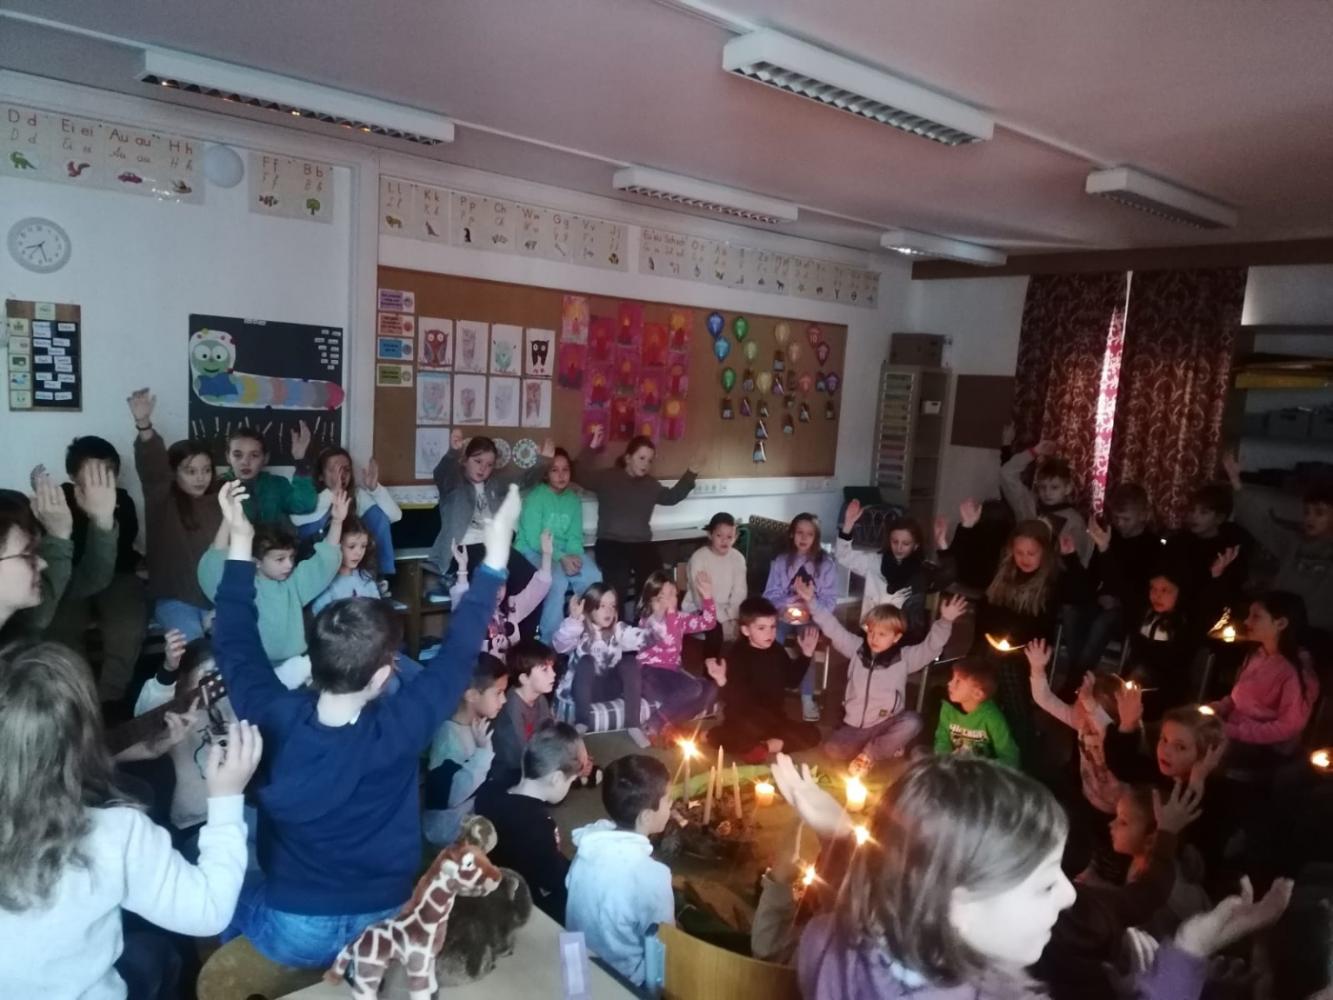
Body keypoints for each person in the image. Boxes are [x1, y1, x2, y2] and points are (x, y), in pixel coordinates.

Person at [212, 479, 510, 968]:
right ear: (380, 677)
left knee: (229, 886)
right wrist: (494, 561)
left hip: (297, 928)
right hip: (386, 921)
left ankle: (233, 972)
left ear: (314, 660)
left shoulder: (271, 714)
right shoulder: (402, 724)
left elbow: (235, 641)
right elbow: (456, 657)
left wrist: (241, 543)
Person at [791, 754, 1289, 1000]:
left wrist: (839, 835)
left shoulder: (825, 941)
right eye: (1045, 883)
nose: (1069, 895)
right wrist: (1189, 954)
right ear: (958, 903)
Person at [0, 638, 261, 1000]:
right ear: (85, 734)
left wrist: (148, 750)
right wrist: (227, 797)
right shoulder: (115, 832)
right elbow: (209, 911)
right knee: (163, 953)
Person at [942, 503, 1086, 768]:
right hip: (987, 645)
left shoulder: (1052, 580)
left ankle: (1024, 758)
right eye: (1019, 552)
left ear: (1044, 553)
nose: (1024, 558)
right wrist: (969, 528)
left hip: (1025, 654)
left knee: (1010, 685)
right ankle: (966, 746)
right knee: (971, 680)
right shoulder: (1001, 572)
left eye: (1031, 553)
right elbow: (969, 570)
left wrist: (1072, 558)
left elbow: (1078, 594)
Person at [797, 574, 963, 769]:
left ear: (896, 637)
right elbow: (833, 628)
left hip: (887, 723)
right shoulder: (857, 648)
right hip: (856, 727)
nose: (874, 639)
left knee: (913, 722)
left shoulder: (904, 657)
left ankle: (870, 754)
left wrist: (945, 621)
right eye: (871, 632)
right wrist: (811, 601)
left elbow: (931, 647)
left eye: (882, 634)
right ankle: (885, 747)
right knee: (832, 749)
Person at [197, 492, 347, 683]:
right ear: (257, 561)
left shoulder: (294, 582)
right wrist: (229, 517)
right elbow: (213, 565)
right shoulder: (243, 588)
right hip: (255, 668)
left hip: (295, 668)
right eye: (279, 559)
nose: (289, 564)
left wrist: (337, 522)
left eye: (291, 557)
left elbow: (324, 562)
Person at [38, 439, 144, 704]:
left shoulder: (123, 501)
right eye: (93, 473)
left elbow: (122, 545)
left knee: (127, 626)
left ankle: (110, 698)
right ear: (73, 476)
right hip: (70, 579)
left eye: (109, 472)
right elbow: (56, 550)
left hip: (119, 574)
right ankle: (79, 698)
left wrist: (104, 514)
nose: (102, 480)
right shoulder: (58, 501)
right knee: (63, 627)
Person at [566, 754, 674, 986]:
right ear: (646, 816)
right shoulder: (653, 876)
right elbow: (663, 941)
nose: (671, 807)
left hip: (575, 963)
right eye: (668, 801)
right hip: (619, 978)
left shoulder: (588, 845)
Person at [1026, 639, 1127, 880]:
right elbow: (1045, 700)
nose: (1078, 708)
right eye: (1078, 701)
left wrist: (1090, 703)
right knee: (1083, 838)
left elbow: (1103, 724)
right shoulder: (1079, 722)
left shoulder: (1109, 735)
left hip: (1112, 807)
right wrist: (1037, 669)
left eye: (1087, 705)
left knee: (1109, 848)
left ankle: (1110, 875)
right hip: (1086, 796)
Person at [128, 388, 221, 641]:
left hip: (217, 600)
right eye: (190, 471)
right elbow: (153, 469)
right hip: (176, 600)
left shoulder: (220, 502)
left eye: (206, 470)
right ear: (174, 473)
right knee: (195, 654)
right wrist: (144, 425)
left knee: (237, 646)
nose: (200, 478)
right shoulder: (162, 500)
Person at [132, 634, 238, 854]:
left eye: (220, 675)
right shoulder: (173, 712)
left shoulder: (227, 703)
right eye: (207, 676)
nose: (215, 682)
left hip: (239, 807)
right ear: (184, 678)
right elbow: (146, 715)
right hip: (196, 823)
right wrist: (168, 671)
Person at [576, 430, 700, 614]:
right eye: (641, 458)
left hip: (640, 544)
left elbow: (672, 497)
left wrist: (691, 473)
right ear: (628, 458)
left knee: (653, 579)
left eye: (649, 460)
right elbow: (578, 474)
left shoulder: (650, 485)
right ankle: (614, 623)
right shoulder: (607, 478)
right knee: (618, 581)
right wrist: (591, 448)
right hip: (611, 543)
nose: (646, 464)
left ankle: (644, 622)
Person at [474, 721, 585, 924]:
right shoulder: (540, 826)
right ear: (556, 778)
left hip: (495, 874)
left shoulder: (490, 790)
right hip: (521, 897)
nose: (570, 786)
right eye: (571, 781)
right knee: (578, 906)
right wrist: (579, 872)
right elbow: (552, 877)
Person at [430, 430, 550, 601]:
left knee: (531, 579)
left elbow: (524, 481)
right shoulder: (453, 483)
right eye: (478, 461)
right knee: (489, 581)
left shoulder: (495, 483)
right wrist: (453, 452)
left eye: (489, 464)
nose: (483, 468)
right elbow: (441, 473)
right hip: (463, 549)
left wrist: (543, 461)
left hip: (493, 546)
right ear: (465, 460)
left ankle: (513, 618)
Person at [1225, 452, 1333, 633]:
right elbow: (1259, 523)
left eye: (1319, 513)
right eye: (1307, 512)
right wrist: (1236, 482)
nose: (1310, 518)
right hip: (1281, 627)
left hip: (1319, 632)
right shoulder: (1292, 541)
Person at [1208, 591, 1319, 761]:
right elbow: (1242, 700)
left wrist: (1231, 731)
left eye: (1256, 616)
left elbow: (1288, 727)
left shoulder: (1294, 672)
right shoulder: (1257, 655)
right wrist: (1219, 707)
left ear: (1280, 623)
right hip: (1234, 731)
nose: (1247, 621)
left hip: (1266, 748)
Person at [707, 597, 821, 761]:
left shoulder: (777, 650)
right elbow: (737, 701)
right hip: (744, 720)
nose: (770, 633)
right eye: (761, 628)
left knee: (813, 734)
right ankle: (709, 736)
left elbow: (792, 681)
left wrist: (806, 655)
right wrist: (722, 681)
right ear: (746, 630)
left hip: (774, 719)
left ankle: (766, 747)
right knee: (737, 736)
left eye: (773, 627)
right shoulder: (737, 655)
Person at [1070, 483, 1161, 687]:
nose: (1120, 524)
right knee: (1072, 610)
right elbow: (1093, 575)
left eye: (1126, 519)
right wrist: (1098, 594)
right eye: (1117, 518)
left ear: (1142, 516)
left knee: (1104, 621)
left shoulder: (1152, 547)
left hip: (1130, 609)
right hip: (1102, 601)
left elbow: (1140, 592)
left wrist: (1117, 600)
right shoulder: (1111, 537)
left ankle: (1075, 680)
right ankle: (1076, 671)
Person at [515, 447, 602, 642]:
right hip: (534, 551)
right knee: (556, 581)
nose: (561, 475)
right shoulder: (536, 497)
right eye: (555, 470)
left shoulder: (572, 499)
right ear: (546, 474)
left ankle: (586, 634)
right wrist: (561, 558)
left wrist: (573, 557)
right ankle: (550, 641)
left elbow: (574, 536)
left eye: (565, 469)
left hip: (564, 551)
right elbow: (534, 539)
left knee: (593, 576)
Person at [424, 654, 509, 846]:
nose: (504, 700)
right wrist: (483, 753)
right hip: (450, 831)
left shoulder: (475, 724)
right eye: (498, 693)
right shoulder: (448, 740)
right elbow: (451, 798)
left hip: (470, 814)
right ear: (471, 695)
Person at [764, 512, 838, 721]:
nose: (804, 538)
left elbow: (830, 601)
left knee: (808, 641)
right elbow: (770, 594)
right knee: (771, 638)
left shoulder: (826, 564)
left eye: (809, 534)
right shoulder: (781, 561)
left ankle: (807, 698)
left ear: (816, 537)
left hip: (812, 615)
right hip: (783, 613)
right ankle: (771, 690)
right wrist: (785, 605)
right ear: (792, 534)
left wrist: (810, 603)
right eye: (799, 533)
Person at [636, 569, 726, 742]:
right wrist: (671, 614)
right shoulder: (647, 621)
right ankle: (653, 723)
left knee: (711, 689)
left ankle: (668, 725)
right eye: (663, 597)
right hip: (650, 673)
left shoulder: (678, 618)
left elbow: (709, 623)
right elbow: (667, 639)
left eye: (673, 594)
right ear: (651, 601)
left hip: (673, 673)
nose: (670, 600)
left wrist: (707, 597)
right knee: (693, 688)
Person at [292, 448, 401, 586]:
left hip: (350, 559)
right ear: (321, 476)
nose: (341, 475)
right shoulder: (311, 496)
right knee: (312, 524)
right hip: (316, 563)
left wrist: (375, 489)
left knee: (377, 515)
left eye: (346, 470)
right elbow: (296, 521)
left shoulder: (357, 495)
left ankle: (380, 578)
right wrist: (333, 493)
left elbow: (394, 516)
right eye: (334, 470)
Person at [552, 582, 648, 732]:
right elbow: (560, 645)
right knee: (586, 661)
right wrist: (574, 620)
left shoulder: (618, 629)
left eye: (612, 606)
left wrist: (660, 624)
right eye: (602, 606)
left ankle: (633, 725)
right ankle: (582, 723)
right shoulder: (579, 629)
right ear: (590, 608)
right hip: (583, 690)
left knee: (629, 662)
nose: (609, 611)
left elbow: (641, 638)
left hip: (609, 689)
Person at [838, 501, 932, 642]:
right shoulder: (875, 561)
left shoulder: (920, 572)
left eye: (905, 543)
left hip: (901, 638)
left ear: (916, 545)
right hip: (871, 633)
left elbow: (947, 576)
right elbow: (844, 556)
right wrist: (847, 526)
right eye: (895, 542)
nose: (899, 548)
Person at [449, 532, 552, 657]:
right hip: (481, 669)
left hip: (508, 668)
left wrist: (547, 555)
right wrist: (462, 569)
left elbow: (538, 589)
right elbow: (460, 598)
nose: (497, 591)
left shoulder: (512, 607)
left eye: (501, 585)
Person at [999, 440, 1091, 564]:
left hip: (1051, 572)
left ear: (1067, 488)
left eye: (1054, 487)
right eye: (1043, 487)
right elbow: (1006, 473)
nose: (1047, 493)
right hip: (1018, 566)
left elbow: (1082, 559)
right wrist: (1034, 452)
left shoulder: (1074, 520)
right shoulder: (1027, 503)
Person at [218, 423, 318, 526]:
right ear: (228, 457)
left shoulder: (276, 485)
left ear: (265, 458)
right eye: (237, 455)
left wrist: (300, 460)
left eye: (254, 455)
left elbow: (306, 505)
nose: (245, 462)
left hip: (274, 536)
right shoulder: (219, 489)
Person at [489, 639, 557, 787]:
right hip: (510, 774)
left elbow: (549, 735)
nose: (553, 674)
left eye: (552, 668)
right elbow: (518, 758)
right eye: (545, 670)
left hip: (533, 762)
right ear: (524, 678)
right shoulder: (511, 708)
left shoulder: (540, 699)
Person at [934, 659, 1020, 768]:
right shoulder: (948, 708)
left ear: (977, 694)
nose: (949, 683)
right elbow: (942, 740)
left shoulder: (992, 716)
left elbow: (1009, 756)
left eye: (958, 681)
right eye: (952, 678)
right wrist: (944, 764)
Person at [684, 512, 748, 647]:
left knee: (751, 627)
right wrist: (723, 618)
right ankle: (711, 660)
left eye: (729, 537)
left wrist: (732, 615)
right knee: (714, 628)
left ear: (735, 537)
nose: (724, 541)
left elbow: (740, 592)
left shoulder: (738, 558)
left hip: (730, 611)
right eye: (719, 536)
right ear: (710, 534)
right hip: (702, 608)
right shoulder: (699, 558)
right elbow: (699, 598)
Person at [309, 513, 381, 615]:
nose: (359, 552)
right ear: (336, 545)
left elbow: (378, 609)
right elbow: (321, 615)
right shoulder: (326, 582)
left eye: (363, 546)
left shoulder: (365, 577)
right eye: (351, 547)